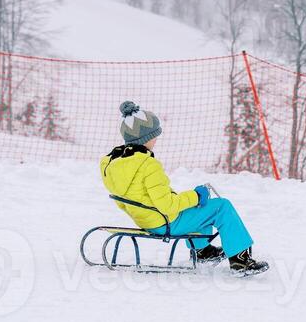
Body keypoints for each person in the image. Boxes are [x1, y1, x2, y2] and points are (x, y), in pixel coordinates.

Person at [99, 101, 269, 276]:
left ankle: (204, 252)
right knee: (221, 206)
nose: (156, 139)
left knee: (197, 208)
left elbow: (124, 202)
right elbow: (167, 206)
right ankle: (240, 261)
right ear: (147, 137)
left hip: (146, 219)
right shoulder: (148, 165)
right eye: (155, 135)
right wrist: (196, 195)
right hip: (164, 222)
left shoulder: (113, 164)